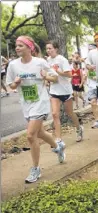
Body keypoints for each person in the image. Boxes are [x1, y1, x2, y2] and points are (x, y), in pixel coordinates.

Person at [6, 36, 65, 183]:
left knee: (31, 135)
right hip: (26, 103)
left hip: (40, 102)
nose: (17, 48)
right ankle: (57, 146)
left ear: (29, 48)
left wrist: (46, 76)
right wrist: (16, 82)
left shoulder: (40, 62)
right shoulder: (13, 65)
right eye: (16, 46)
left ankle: (35, 169)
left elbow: (55, 78)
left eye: (20, 45)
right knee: (39, 133)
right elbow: (11, 86)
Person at [46, 40, 84, 143]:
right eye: (47, 49)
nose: (48, 50)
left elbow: (69, 75)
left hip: (66, 91)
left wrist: (58, 72)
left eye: (50, 48)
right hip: (54, 91)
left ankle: (79, 129)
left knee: (70, 112)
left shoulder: (62, 59)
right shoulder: (48, 60)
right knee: (54, 114)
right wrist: (47, 79)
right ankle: (58, 139)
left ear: (56, 49)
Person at [84, 43, 98, 129]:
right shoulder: (87, 61)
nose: (90, 51)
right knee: (93, 102)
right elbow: (87, 72)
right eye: (88, 50)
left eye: (91, 50)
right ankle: (97, 121)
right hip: (91, 85)